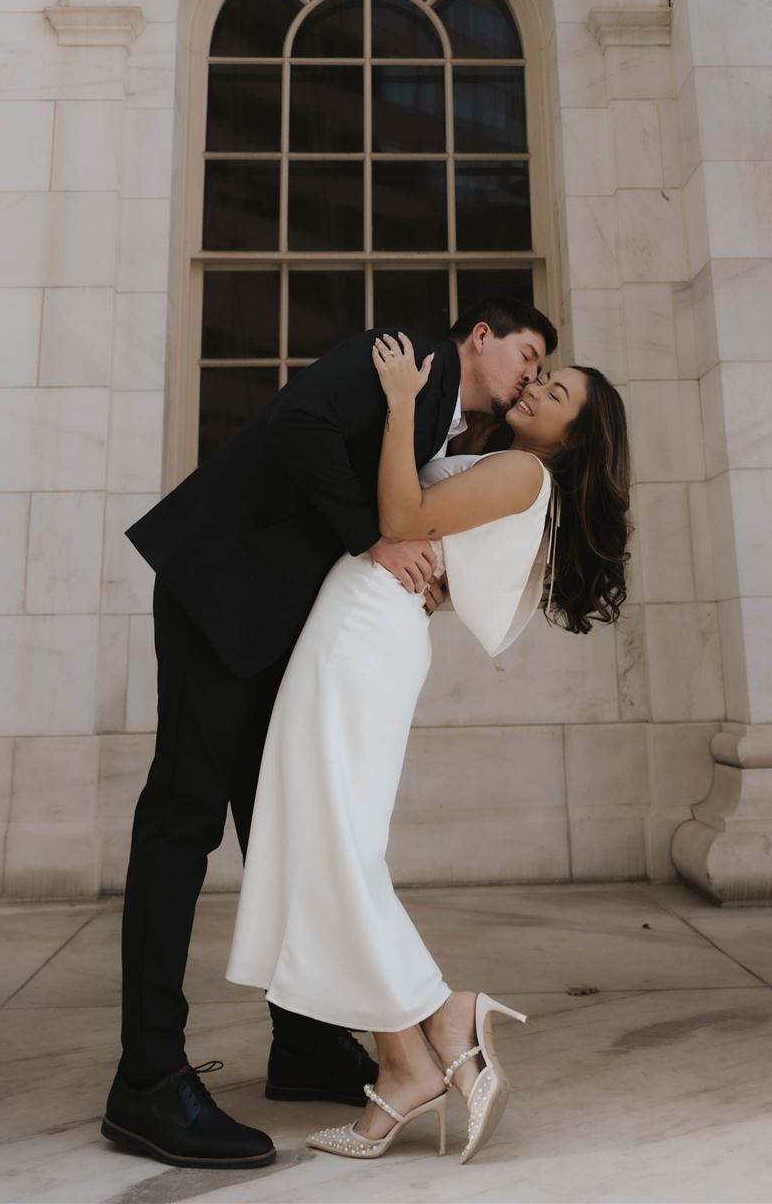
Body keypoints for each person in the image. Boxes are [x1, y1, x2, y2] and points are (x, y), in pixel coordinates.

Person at [102, 297, 556, 1172]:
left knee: (282, 820)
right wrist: (376, 542)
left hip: (278, 621)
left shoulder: (444, 427)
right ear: (481, 337)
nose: (529, 376)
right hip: (224, 593)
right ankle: (146, 1078)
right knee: (183, 821)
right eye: (526, 354)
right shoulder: (410, 361)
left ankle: (305, 1043)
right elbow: (298, 424)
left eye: (542, 372)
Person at [224, 331, 632, 1165]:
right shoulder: (502, 461)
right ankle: (411, 1054)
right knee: (325, 842)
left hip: (363, 630)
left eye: (552, 397)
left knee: (335, 844)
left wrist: (406, 402)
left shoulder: (522, 472)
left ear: (575, 439)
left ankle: (435, 1024)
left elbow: (400, 519)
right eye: (542, 378)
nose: (533, 391)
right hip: (362, 622)